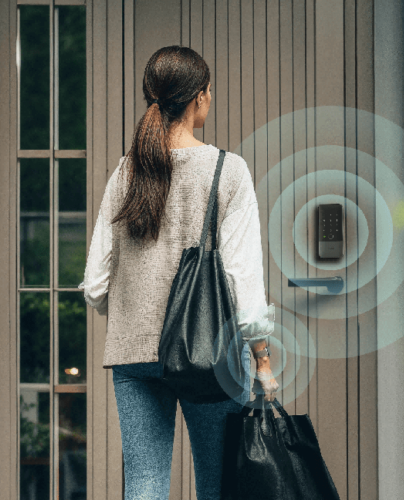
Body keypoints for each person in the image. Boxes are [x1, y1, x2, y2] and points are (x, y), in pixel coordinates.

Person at [79, 45, 278, 500]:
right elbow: (243, 275)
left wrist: (136, 310)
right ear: (200, 97)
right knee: (216, 484)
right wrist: (262, 360)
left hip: (133, 354)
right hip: (209, 353)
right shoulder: (228, 171)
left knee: (145, 487)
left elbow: (95, 285)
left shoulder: (125, 172)